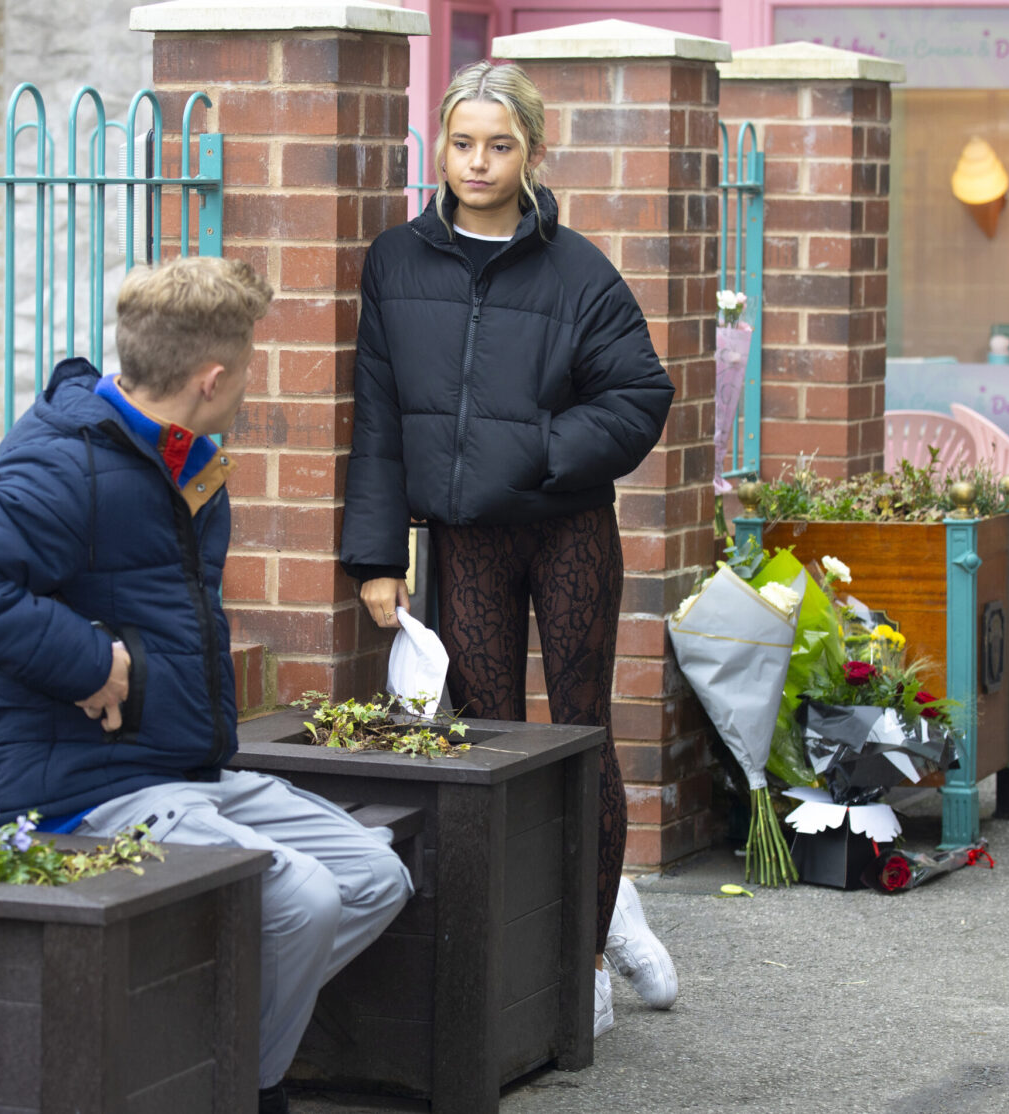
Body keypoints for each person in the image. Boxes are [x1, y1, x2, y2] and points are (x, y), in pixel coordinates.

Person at [0, 256, 412, 1114]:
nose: (250, 384)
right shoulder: (66, 469)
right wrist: (90, 660)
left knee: (371, 877)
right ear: (212, 378)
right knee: (301, 898)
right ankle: (244, 1091)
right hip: (84, 789)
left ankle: (211, 1069)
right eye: (247, 365)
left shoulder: (177, 455)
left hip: (179, 768)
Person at [339, 61, 677, 1036]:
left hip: (567, 527)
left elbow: (638, 396)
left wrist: (537, 453)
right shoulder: (396, 261)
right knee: (490, 741)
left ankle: (585, 954)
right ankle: (563, 927)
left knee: (577, 734)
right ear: (438, 146)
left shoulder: (580, 272)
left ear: (532, 153)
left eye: (500, 144)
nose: (478, 161)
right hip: (466, 540)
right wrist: (375, 555)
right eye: (462, 142)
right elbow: (379, 419)